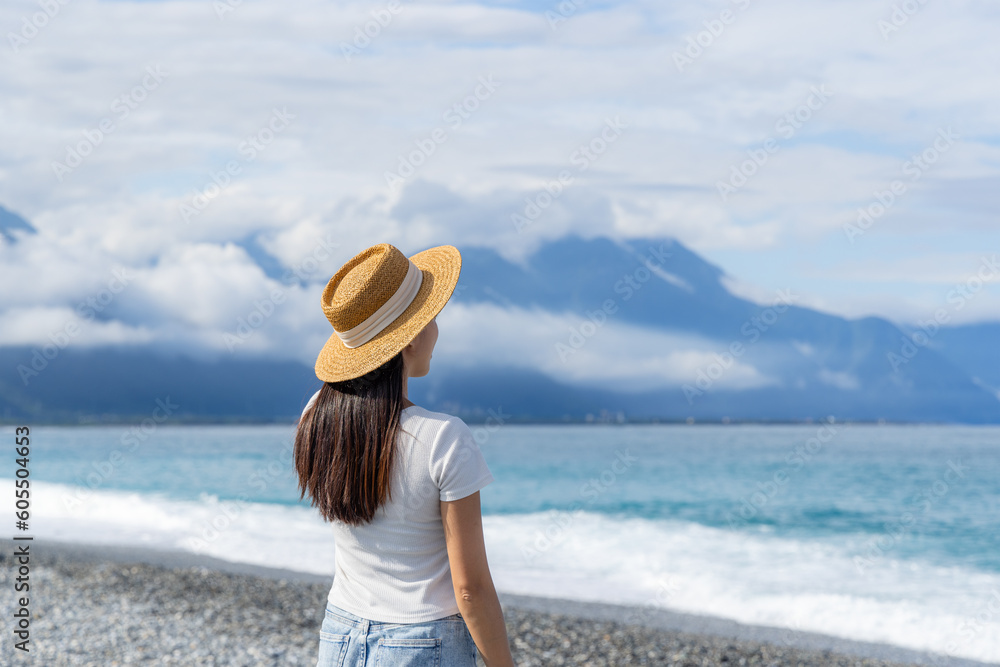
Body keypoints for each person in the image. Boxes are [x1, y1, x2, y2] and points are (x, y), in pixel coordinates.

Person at [295, 242, 516, 667]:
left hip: (340, 633)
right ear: (411, 337)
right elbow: (470, 590)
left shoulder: (316, 416)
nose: (436, 330)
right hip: (423, 642)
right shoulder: (443, 438)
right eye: (431, 317)